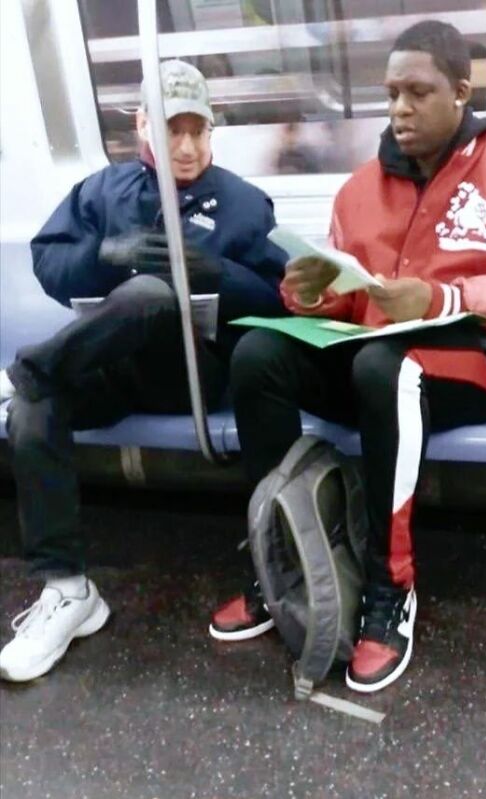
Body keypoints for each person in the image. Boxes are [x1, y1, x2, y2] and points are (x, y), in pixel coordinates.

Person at [209, 21, 486, 693]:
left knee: (386, 367)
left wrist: (440, 298)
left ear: (460, 91)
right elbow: (352, 300)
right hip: (373, 361)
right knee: (259, 353)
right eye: (391, 94)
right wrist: (311, 294)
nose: (400, 109)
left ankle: (390, 584)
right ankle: (275, 561)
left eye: (418, 93)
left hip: (472, 364)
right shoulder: (358, 189)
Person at [0, 60, 287, 682]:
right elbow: (50, 266)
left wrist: (219, 275)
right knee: (34, 406)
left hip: (192, 376)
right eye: (170, 129)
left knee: (154, 295)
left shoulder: (241, 203)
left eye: (197, 131)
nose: (186, 146)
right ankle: (67, 589)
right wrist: (105, 256)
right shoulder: (102, 192)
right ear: (141, 126)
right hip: (111, 371)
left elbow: (280, 301)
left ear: (211, 132)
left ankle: (25, 369)